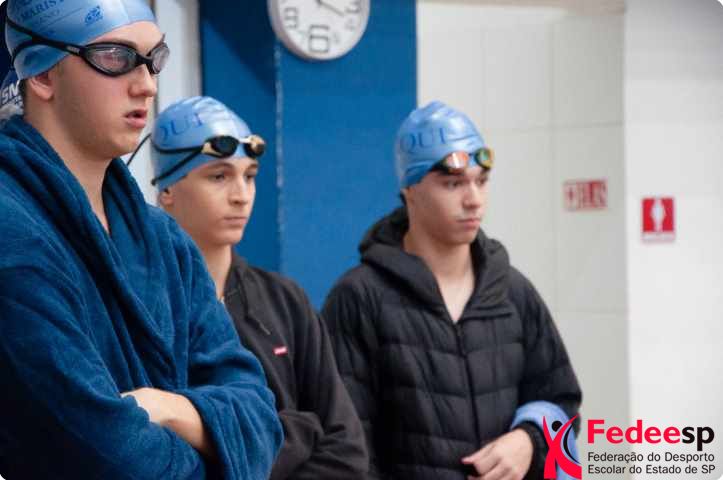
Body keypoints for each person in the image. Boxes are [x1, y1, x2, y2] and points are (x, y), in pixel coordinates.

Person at [0, 1, 282, 478]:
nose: (147, 84)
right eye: (116, 57)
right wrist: (217, 443)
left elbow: (260, 417)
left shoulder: (163, 239)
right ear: (42, 74)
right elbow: (102, 452)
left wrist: (169, 409)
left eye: (154, 59)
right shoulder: (13, 234)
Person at [321, 101, 583, 480]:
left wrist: (529, 441)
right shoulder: (360, 299)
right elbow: (349, 442)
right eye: (453, 184)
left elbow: (562, 401)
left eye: (481, 181)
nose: (473, 199)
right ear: (410, 189)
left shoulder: (512, 292)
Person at [146, 95, 369, 479]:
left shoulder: (284, 301)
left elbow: (346, 449)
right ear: (167, 191)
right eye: (218, 177)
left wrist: (231, 446)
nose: (241, 195)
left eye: (249, 176)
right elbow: (153, 449)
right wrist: (298, 433)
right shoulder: (142, 305)